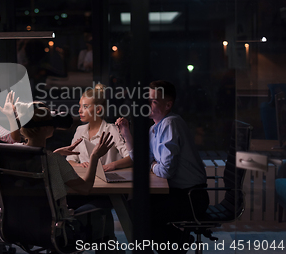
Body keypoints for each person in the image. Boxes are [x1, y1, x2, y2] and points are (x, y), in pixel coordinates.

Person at [116, 80, 209, 253]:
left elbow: (165, 170)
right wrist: (126, 133)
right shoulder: (155, 128)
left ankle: (177, 244)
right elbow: (143, 160)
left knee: (139, 211)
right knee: (134, 205)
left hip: (191, 197)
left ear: (168, 105)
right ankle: (177, 243)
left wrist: (151, 165)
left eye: (153, 101)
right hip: (181, 193)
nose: (148, 104)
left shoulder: (170, 124)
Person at [16, 101, 117, 252]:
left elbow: (39, 161)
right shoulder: (53, 161)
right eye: (52, 123)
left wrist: (55, 154)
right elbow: (85, 188)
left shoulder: (13, 154)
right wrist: (95, 157)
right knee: (103, 210)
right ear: (45, 129)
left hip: (22, 224)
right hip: (60, 230)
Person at [59, 84, 132, 171]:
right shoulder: (80, 130)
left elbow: (131, 158)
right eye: (80, 106)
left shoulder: (111, 130)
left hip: (107, 181)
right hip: (84, 180)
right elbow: (70, 160)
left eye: (85, 107)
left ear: (98, 109)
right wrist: (79, 165)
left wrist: (112, 165)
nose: (80, 110)